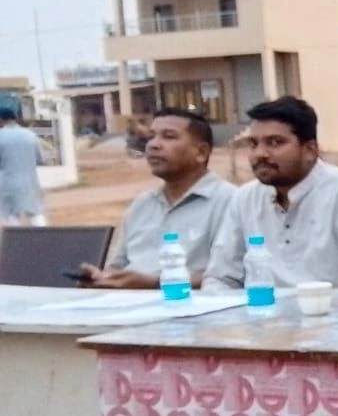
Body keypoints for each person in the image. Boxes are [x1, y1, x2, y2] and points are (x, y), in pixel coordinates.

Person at [204, 97, 338, 290]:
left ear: (310, 150)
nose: (260, 154)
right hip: (262, 314)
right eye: (253, 144)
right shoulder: (245, 199)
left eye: (275, 142)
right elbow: (221, 278)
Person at [79, 108, 236, 289]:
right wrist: (102, 278)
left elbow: (231, 276)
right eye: (151, 137)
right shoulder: (142, 204)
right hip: (128, 302)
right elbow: (116, 266)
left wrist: (155, 284)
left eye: (169, 137)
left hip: (188, 304)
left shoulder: (230, 202)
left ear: (201, 152)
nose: (153, 145)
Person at [0, 106, 47, 227]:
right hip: (30, 182)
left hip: (7, 183)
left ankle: (15, 238)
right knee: (35, 213)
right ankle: (44, 236)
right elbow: (40, 160)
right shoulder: (30, 135)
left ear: (1, 119)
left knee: (11, 215)